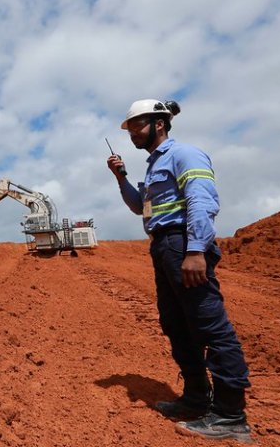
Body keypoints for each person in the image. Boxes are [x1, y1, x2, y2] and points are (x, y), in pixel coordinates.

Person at [107, 99, 252, 443]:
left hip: (181, 242)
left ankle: (231, 415)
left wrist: (197, 250)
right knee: (177, 325)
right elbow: (138, 207)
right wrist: (120, 177)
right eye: (129, 129)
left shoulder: (185, 154)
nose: (132, 134)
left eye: (137, 125)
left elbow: (202, 200)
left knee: (209, 326)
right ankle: (196, 398)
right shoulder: (154, 166)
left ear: (160, 123)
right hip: (162, 246)